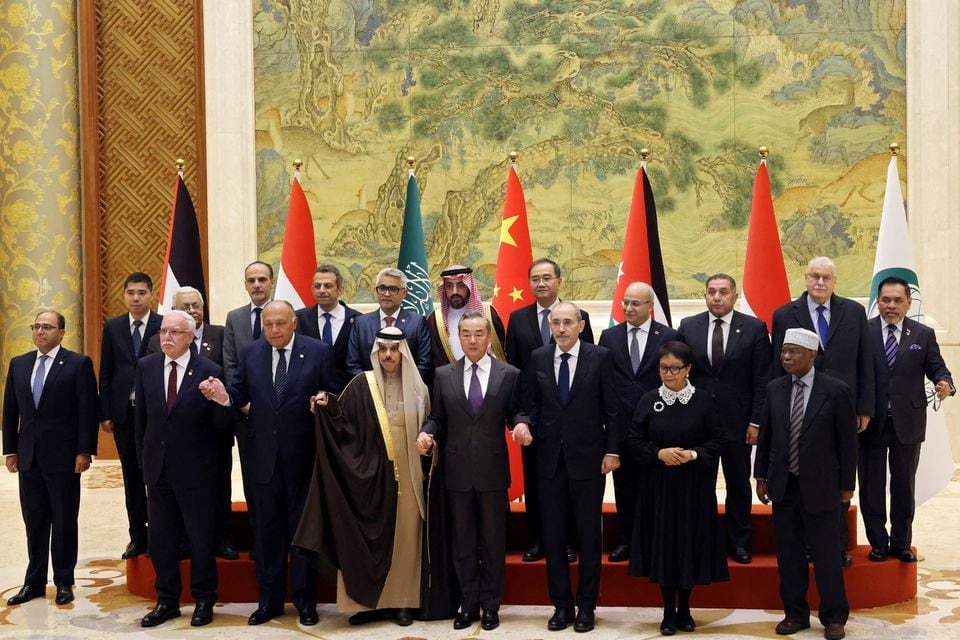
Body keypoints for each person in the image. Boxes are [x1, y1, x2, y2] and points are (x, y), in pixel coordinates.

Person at [294, 327, 455, 626]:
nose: (388, 356)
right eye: (383, 350)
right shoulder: (360, 385)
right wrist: (327, 405)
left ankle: (404, 602)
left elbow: (433, 426)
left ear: (403, 353)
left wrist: (429, 440)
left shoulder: (419, 390)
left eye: (394, 350)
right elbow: (343, 422)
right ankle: (369, 604)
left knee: (407, 538)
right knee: (367, 540)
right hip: (369, 481)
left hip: (409, 478)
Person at [202, 300, 336, 626]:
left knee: (303, 535)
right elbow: (238, 394)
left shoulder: (318, 352)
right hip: (262, 460)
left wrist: (324, 400)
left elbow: (333, 393)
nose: (274, 330)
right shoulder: (251, 354)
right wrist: (222, 397)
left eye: (280, 323)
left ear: (294, 323)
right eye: (268, 325)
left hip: (304, 460)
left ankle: (305, 602)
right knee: (266, 534)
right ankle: (269, 601)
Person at [418, 311, 532, 631]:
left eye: (479, 333)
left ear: (489, 337)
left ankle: (491, 606)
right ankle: (468, 604)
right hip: (456, 472)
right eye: (466, 333)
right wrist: (426, 433)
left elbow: (517, 412)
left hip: (492, 471)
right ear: (458, 338)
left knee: (493, 543)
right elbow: (437, 418)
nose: (472, 339)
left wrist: (522, 425)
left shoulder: (509, 374)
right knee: (463, 542)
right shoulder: (443, 375)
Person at [771, 256, 873, 567]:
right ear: (805, 278)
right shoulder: (785, 314)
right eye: (814, 276)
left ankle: (836, 546)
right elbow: (778, 365)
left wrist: (864, 407)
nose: (820, 282)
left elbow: (865, 362)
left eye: (826, 277)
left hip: (842, 408)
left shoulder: (854, 312)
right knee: (802, 476)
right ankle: (804, 545)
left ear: (834, 281)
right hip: (800, 408)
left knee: (836, 476)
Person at [755, 328, 856, 640]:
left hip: (823, 486)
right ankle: (795, 614)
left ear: (812, 355)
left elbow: (847, 443)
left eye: (794, 352)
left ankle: (834, 617)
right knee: (789, 555)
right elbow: (766, 437)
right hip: (784, 485)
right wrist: (761, 476)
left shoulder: (835, 390)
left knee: (827, 555)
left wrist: (847, 485)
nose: (786, 357)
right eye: (784, 351)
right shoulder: (775, 389)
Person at [524, 302, 617, 633]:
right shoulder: (538, 357)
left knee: (589, 536)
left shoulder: (600, 357)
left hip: (588, 461)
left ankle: (587, 606)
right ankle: (561, 606)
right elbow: (530, 405)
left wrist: (613, 451)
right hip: (549, 462)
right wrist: (523, 424)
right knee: (553, 536)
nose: (561, 329)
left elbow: (612, 409)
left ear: (580, 326)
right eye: (555, 323)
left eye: (567, 322)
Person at [626, 340, 728, 635]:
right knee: (665, 546)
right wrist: (658, 453)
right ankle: (668, 610)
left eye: (674, 368)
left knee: (688, 545)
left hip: (693, 488)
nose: (668, 374)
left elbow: (718, 440)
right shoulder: (649, 399)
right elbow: (633, 440)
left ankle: (685, 608)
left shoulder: (704, 400)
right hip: (658, 488)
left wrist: (694, 454)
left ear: (688, 369)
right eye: (663, 368)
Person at [135, 311, 229, 627]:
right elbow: (142, 422)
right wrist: (144, 462)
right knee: (161, 539)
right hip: (158, 469)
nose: (167, 337)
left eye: (175, 332)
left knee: (200, 539)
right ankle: (167, 600)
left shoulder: (210, 370)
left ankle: (204, 599)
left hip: (197, 472)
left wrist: (222, 400)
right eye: (164, 331)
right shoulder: (146, 367)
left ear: (190, 337)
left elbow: (221, 427)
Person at [3, 310, 98, 607]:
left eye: (47, 327)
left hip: (64, 458)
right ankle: (34, 582)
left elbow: (88, 410)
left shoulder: (78, 364)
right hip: (29, 457)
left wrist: (84, 451)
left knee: (64, 521)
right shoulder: (19, 364)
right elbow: (10, 410)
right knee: (34, 521)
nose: (40, 331)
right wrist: (10, 450)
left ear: (61, 332)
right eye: (36, 326)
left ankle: (64, 581)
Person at [677, 273, 771, 564]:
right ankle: (700, 543)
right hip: (697, 424)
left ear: (734, 296)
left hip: (738, 424)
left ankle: (739, 542)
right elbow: (677, 374)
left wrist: (756, 421)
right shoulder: (688, 326)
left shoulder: (754, 328)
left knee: (738, 485)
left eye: (723, 292)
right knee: (698, 486)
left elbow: (762, 380)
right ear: (705, 295)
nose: (717, 297)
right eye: (712, 292)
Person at [505, 258, 594, 563]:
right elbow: (513, 370)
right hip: (534, 418)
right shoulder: (518, 319)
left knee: (567, 482)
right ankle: (538, 539)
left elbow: (589, 367)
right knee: (536, 482)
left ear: (559, 281)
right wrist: (519, 418)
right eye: (535, 278)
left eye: (546, 277)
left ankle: (568, 541)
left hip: (571, 417)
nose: (541, 283)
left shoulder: (578, 316)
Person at [860, 276, 954, 562]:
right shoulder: (863, 331)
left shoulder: (923, 334)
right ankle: (878, 543)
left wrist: (945, 384)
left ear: (909, 303)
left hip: (908, 422)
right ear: (877, 302)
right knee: (871, 486)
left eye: (898, 300)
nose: (891, 305)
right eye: (885, 300)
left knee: (903, 486)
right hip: (870, 422)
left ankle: (901, 543)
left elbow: (938, 368)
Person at [147, 286, 236, 560]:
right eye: (185, 306)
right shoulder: (158, 342)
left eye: (196, 305)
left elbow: (229, 373)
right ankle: (183, 541)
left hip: (213, 431)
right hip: (175, 436)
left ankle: (222, 538)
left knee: (218, 489)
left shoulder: (220, 334)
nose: (192, 310)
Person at [598, 281, 677, 562]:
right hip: (621, 427)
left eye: (635, 303)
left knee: (657, 489)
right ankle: (627, 540)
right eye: (625, 302)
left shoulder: (668, 336)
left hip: (657, 427)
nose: (629, 308)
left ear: (650, 306)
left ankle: (656, 543)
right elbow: (604, 380)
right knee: (625, 488)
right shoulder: (609, 336)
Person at [99, 272, 162, 559]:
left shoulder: (163, 324)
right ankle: (137, 537)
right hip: (124, 414)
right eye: (131, 293)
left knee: (156, 476)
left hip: (155, 413)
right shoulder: (113, 327)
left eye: (141, 293)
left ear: (151, 295)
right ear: (124, 295)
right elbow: (107, 372)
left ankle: (161, 534)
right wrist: (106, 412)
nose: (136, 298)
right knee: (132, 478)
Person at [222, 260, 275, 555]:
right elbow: (230, 365)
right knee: (253, 478)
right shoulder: (235, 318)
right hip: (245, 415)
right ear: (245, 285)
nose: (257, 285)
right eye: (251, 280)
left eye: (262, 279)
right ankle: (259, 540)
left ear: (271, 283)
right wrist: (244, 403)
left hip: (280, 415)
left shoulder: (285, 314)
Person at [346, 267, 433, 384]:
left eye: (393, 289)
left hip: (405, 388)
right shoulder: (361, 323)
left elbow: (424, 363)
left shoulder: (417, 322)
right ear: (376, 291)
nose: (386, 294)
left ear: (404, 293)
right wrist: (373, 386)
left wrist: (397, 385)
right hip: (370, 390)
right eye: (382, 288)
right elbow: (352, 364)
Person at [295, 263, 360, 393]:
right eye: (317, 286)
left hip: (347, 394)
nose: (322, 290)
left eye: (328, 286)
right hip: (309, 394)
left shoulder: (358, 320)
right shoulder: (299, 318)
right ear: (312, 289)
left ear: (340, 290)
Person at [425, 265, 506, 366]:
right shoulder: (435, 320)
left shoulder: (488, 313)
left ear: (468, 287)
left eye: (461, 285)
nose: (455, 291)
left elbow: (500, 350)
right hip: (450, 375)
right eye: (449, 286)